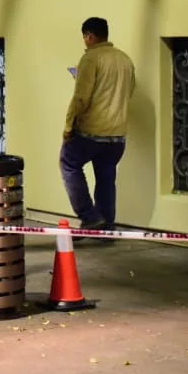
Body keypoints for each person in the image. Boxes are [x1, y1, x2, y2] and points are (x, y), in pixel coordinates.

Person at [60, 17, 135, 236]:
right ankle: (106, 230)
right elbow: (129, 92)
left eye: (85, 37)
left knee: (68, 163)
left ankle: (89, 216)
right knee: (106, 178)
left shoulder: (90, 59)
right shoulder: (125, 60)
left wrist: (68, 126)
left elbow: (81, 98)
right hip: (117, 137)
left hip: (91, 133)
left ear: (89, 36)